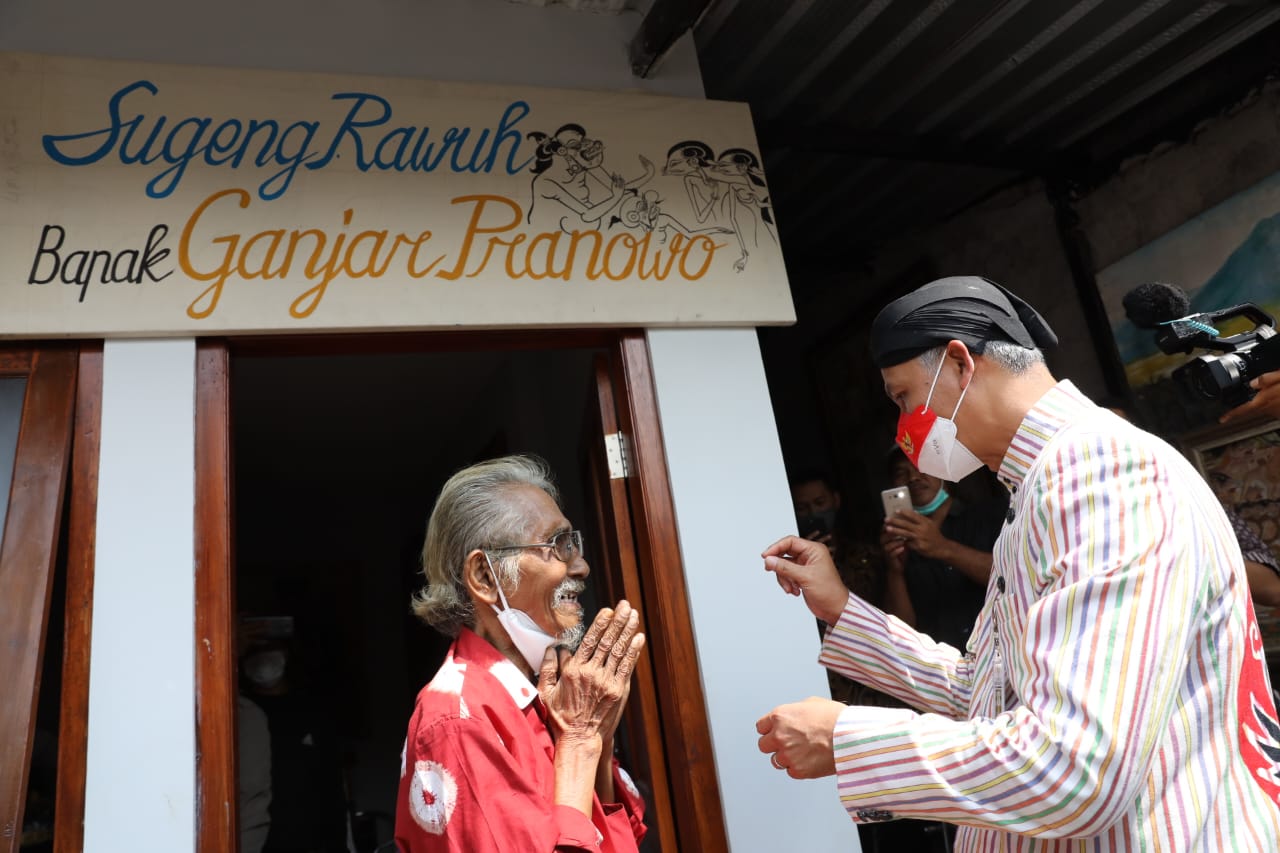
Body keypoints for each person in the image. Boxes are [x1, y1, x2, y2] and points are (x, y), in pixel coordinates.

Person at [756, 276, 1280, 850]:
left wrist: (849, 742)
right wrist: (842, 610)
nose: (904, 428)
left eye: (903, 397)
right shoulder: (1040, 486)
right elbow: (984, 691)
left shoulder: (1101, 473)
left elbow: (1074, 767)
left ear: (960, 363)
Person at [396, 455, 647, 852]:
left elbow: (615, 838)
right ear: (484, 576)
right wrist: (580, 742)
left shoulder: (543, 697)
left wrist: (597, 744)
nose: (581, 566)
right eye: (558, 546)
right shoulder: (457, 717)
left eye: (574, 544)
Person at [880, 448, 1004, 651]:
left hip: (1000, 652)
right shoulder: (895, 543)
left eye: (920, 467)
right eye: (901, 473)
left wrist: (943, 548)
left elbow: (1011, 577)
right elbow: (900, 633)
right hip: (941, 666)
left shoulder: (987, 515)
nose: (913, 477)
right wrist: (895, 573)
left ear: (942, 471)